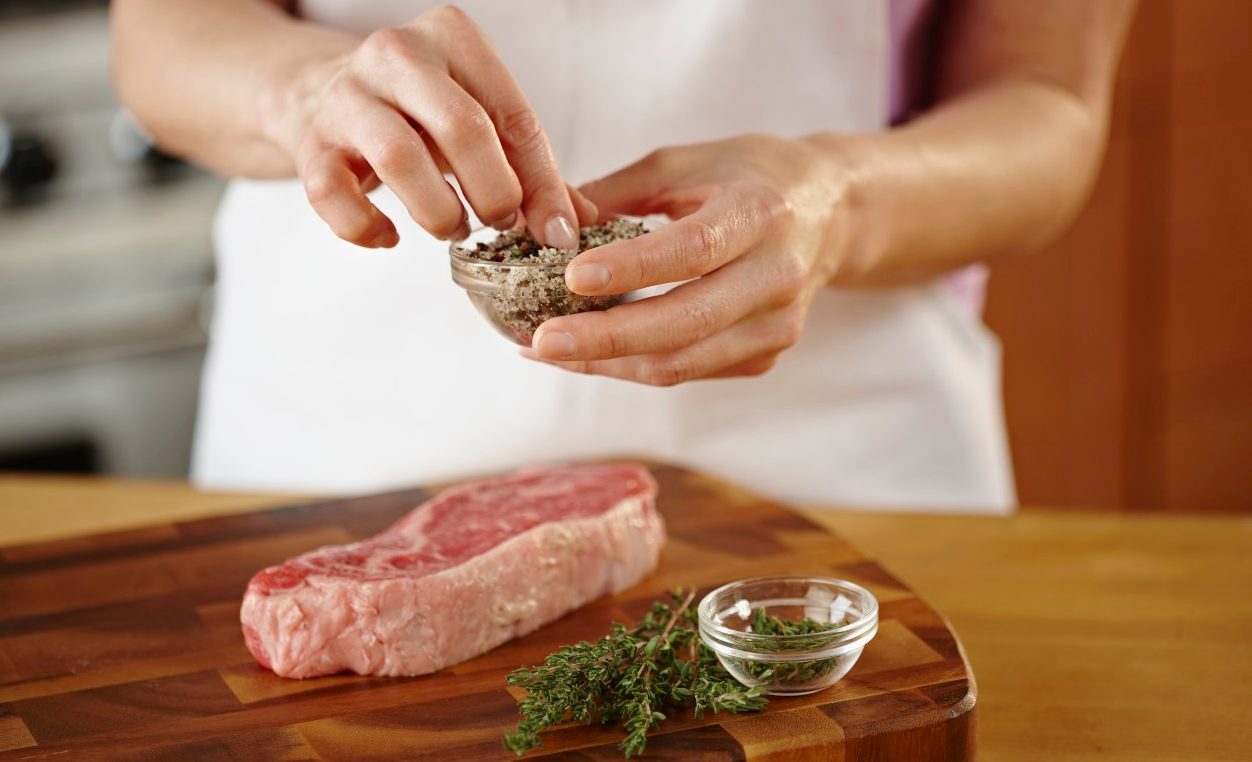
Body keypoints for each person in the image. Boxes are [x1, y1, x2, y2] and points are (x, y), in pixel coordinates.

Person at [111, 1, 1136, 511]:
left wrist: (837, 202)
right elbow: (161, 34)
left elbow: (1045, 102)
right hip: (337, 455)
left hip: (838, 470)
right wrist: (302, 92)